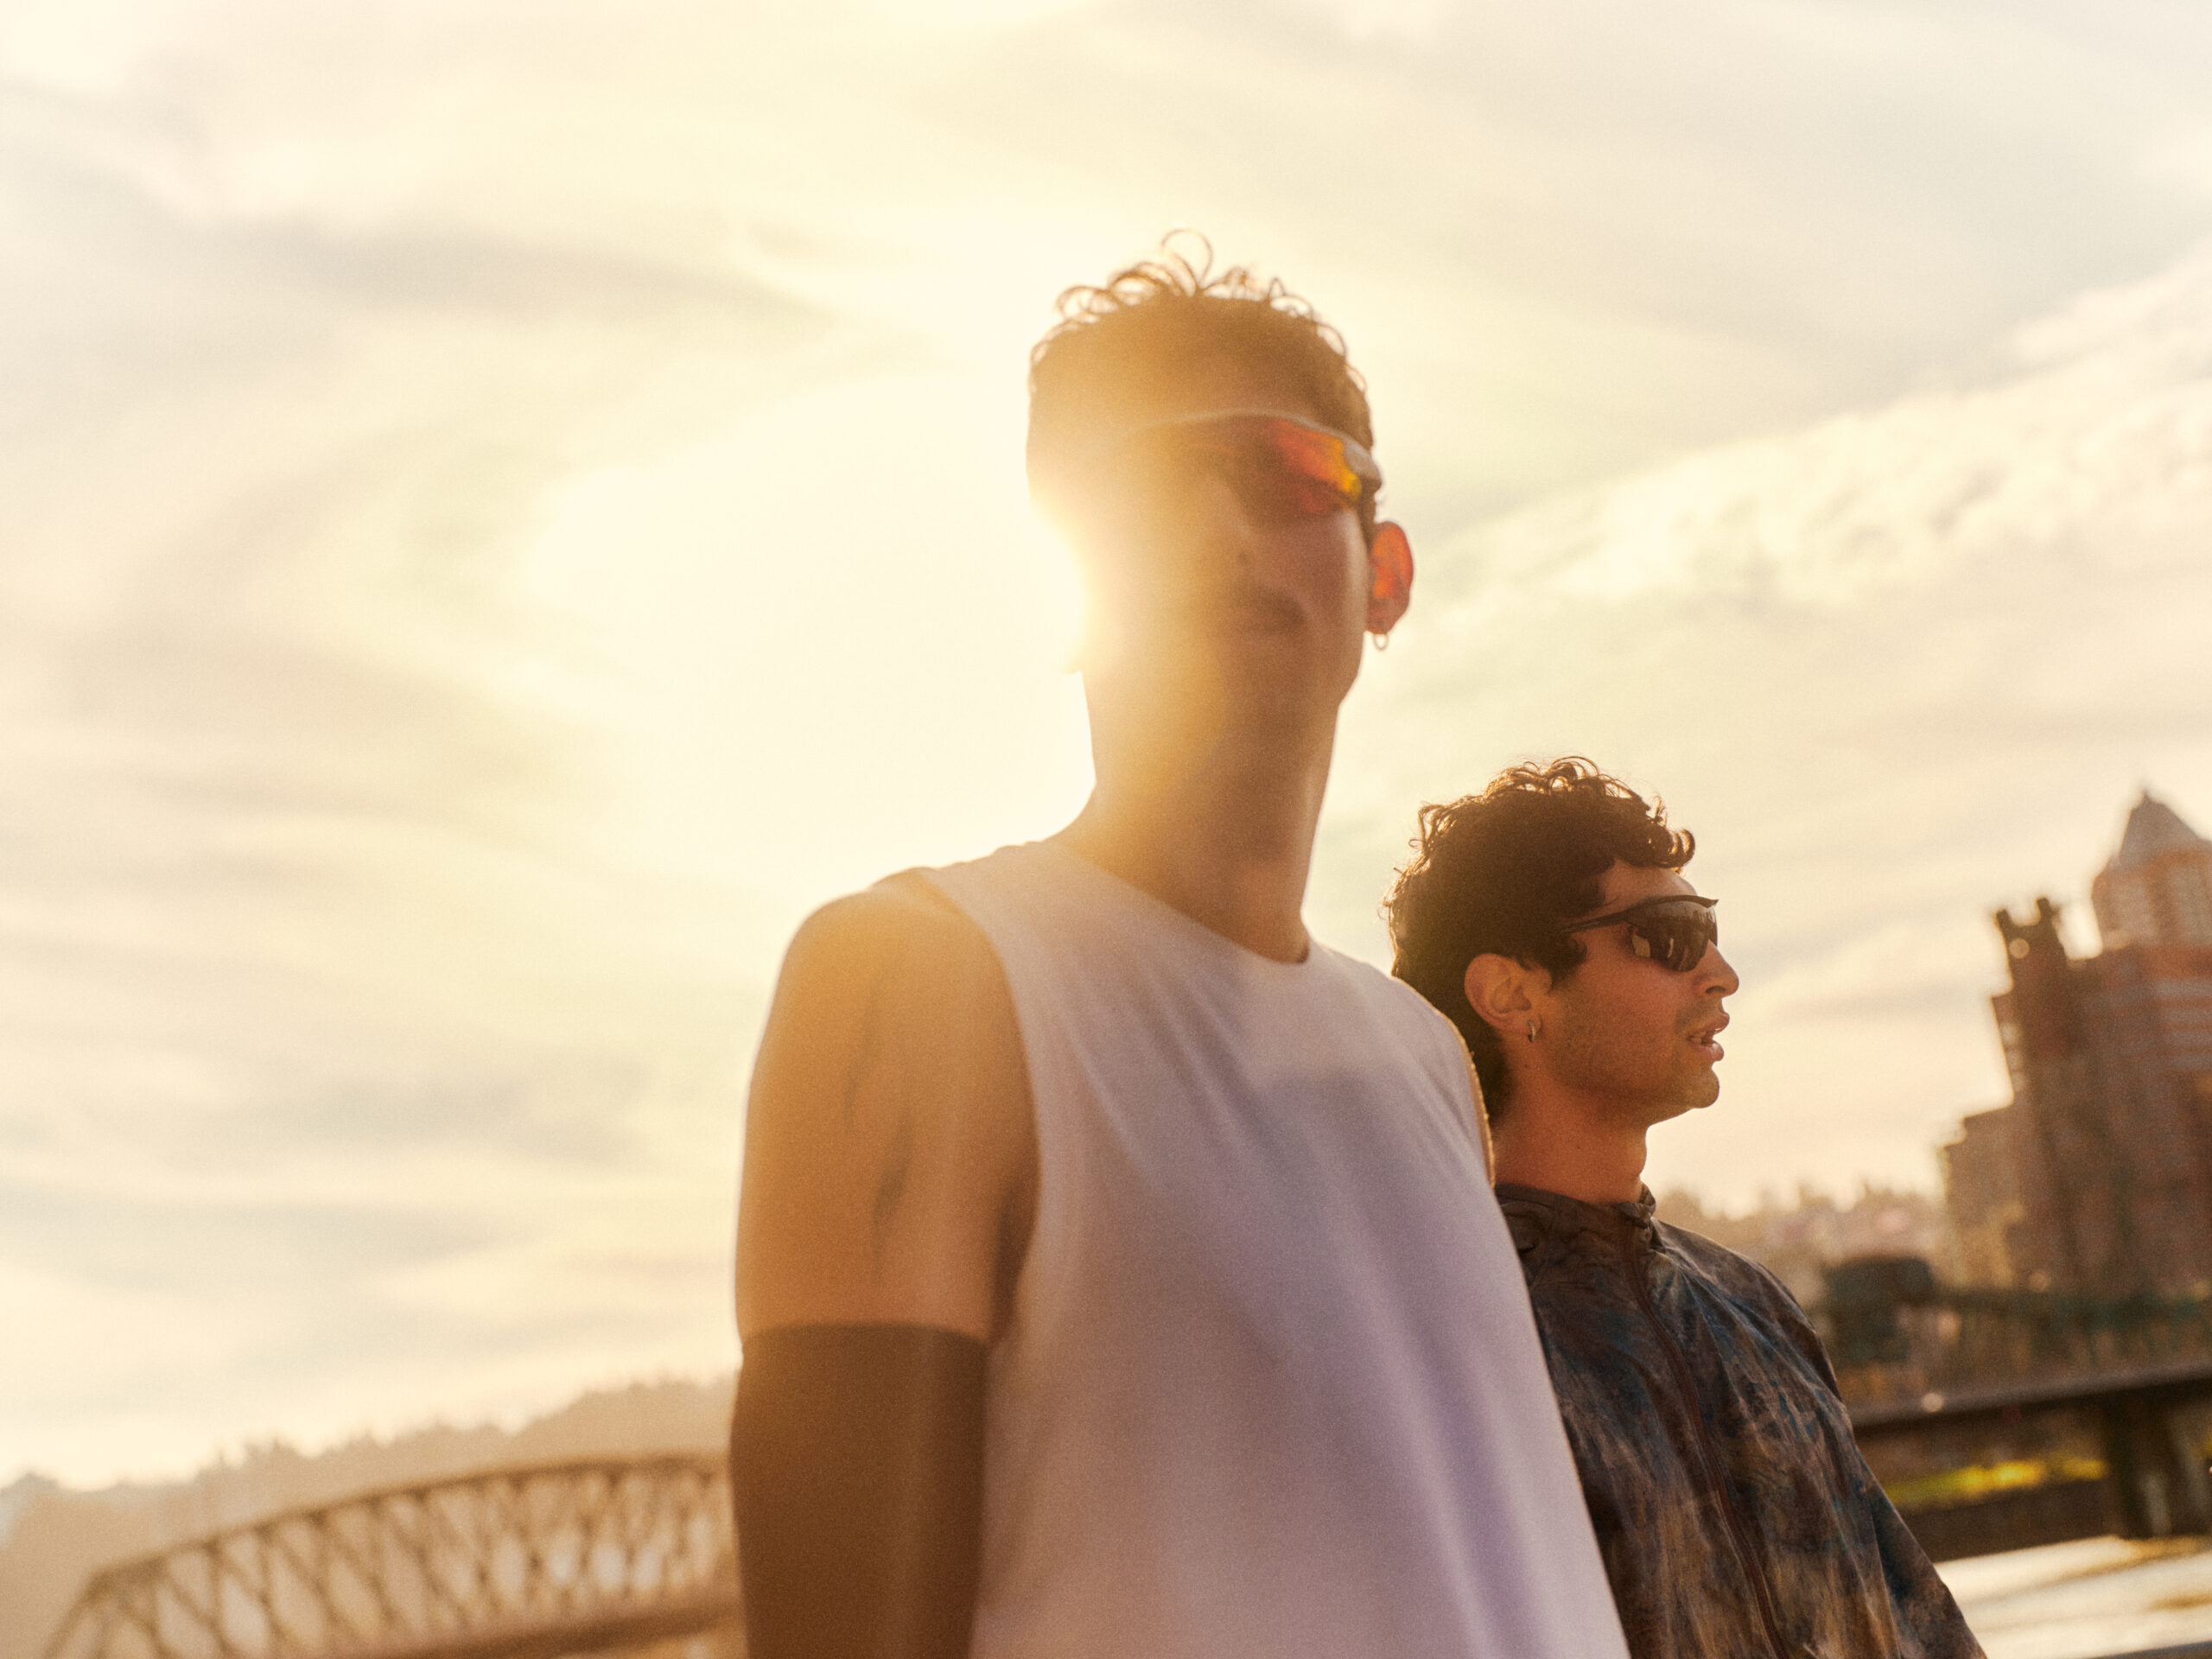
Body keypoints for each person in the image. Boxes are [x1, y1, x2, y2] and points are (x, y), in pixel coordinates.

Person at [730, 248, 1628, 1659]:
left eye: (1283, 471)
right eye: (1141, 491)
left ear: (1383, 574)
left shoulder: (1424, 1062)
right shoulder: (920, 985)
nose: (1217, 522)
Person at [1385, 758, 1984, 1659]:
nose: (1722, 974)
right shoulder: (1439, 1334)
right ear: (1512, 994)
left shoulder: (1749, 1303)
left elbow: (1907, 1617)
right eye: (1669, 936)